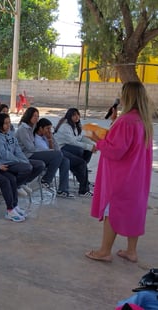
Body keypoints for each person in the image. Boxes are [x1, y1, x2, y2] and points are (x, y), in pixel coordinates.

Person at [84, 81, 153, 263]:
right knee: (134, 210)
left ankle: (104, 251)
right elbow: (128, 142)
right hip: (137, 176)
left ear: (127, 96)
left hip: (122, 176)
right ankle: (131, 251)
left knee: (111, 210)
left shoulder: (127, 120)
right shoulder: (143, 120)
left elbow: (116, 150)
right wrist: (115, 122)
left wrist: (96, 140)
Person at [0, 113, 45, 197]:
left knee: (40, 165)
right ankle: (15, 186)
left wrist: (24, 160)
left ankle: (21, 183)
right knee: (26, 168)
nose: (8, 125)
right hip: (4, 163)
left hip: (15, 160)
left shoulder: (10, 135)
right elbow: (4, 155)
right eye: (6, 123)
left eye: (9, 122)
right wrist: (21, 161)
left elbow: (18, 151)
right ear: (0, 124)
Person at [15, 107, 63, 191]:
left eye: (38, 116)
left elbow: (57, 148)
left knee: (60, 157)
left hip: (32, 152)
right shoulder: (23, 129)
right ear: (29, 116)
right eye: (34, 116)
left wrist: (50, 137)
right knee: (57, 154)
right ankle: (46, 180)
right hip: (26, 154)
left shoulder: (32, 127)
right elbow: (30, 148)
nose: (36, 118)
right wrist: (49, 152)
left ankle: (25, 182)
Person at [54, 108, 95, 197]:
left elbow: (80, 138)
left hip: (68, 147)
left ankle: (81, 174)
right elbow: (73, 142)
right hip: (61, 148)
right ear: (69, 116)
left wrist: (93, 145)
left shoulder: (76, 125)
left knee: (86, 155)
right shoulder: (65, 127)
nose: (77, 117)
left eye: (77, 114)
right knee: (81, 161)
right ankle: (83, 189)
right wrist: (89, 146)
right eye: (74, 115)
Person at [33, 118, 74, 198]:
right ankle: (46, 180)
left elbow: (57, 150)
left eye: (50, 128)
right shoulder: (35, 139)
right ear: (41, 128)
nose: (49, 131)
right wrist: (50, 143)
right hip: (41, 158)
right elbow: (53, 153)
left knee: (65, 161)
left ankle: (62, 190)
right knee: (59, 155)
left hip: (52, 159)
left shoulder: (46, 137)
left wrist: (50, 139)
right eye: (47, 128)